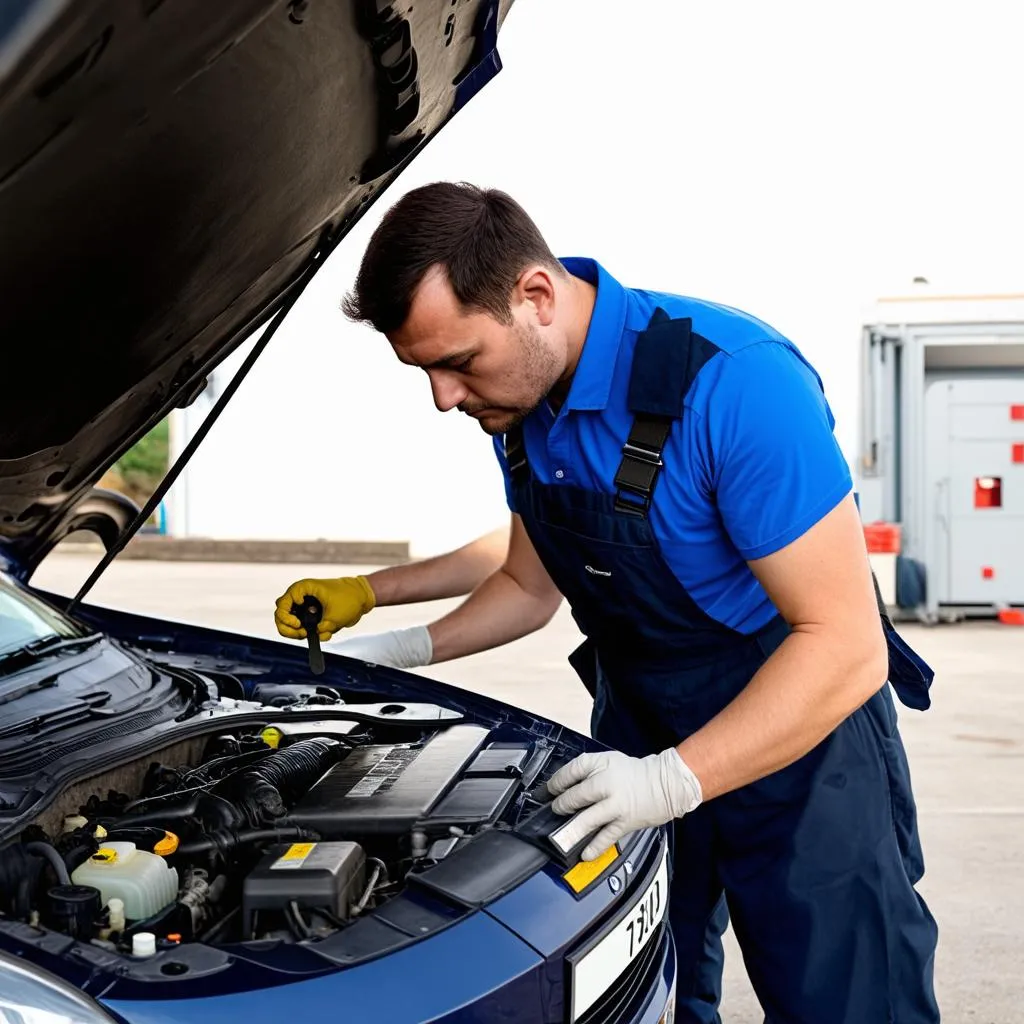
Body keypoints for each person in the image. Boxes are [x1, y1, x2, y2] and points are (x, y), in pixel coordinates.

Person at [274, 182, 939, 1023]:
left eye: (457, 361)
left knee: (845, 998)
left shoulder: (734, 384)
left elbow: (844, 644)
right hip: (639, 725)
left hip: (800, 733)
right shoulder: (521, 407)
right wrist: (395, 643)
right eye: (424, 371)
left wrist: (671, 781)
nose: (443, 398)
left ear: (535, 297)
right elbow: (525, 583)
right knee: (647, 990)